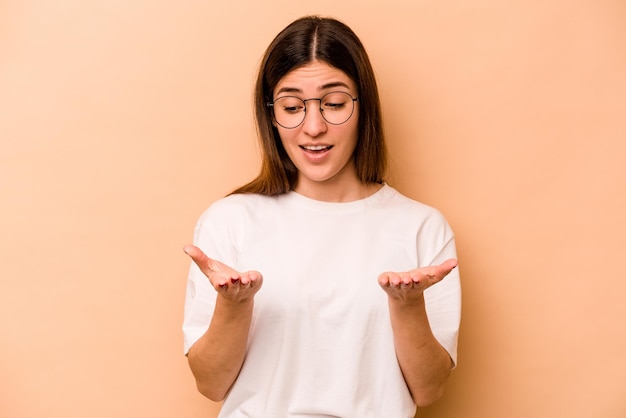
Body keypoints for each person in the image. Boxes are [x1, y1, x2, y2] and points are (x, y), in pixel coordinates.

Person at [182, 15, 461, 418]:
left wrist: (408, 305)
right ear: (271, 115)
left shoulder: (421, 227)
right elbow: (210, 384)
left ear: (363, 106)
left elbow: (429, 389)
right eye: (292, 107)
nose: (313, 127)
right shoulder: (229, 220)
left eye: (333, 104)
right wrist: (234, 306)